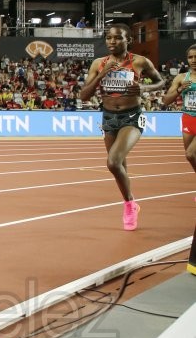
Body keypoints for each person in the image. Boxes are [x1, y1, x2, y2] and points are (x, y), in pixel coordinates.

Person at [79, 24, 165, 230]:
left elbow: (160, 82)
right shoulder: (98, 63)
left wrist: (144, 87)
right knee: (120, 168)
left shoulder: (140, 61)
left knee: (113, 162)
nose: (111, 42)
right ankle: (130, 203)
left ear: (128, 40)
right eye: (108, 38)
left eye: (117, 38)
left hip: (132, 117)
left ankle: (129, 205)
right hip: (109, 117)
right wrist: (101, 75)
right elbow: (84, 96)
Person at [161, 44, 196, 172]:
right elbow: (166, 101)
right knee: (191, 157)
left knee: (190, 154)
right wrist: (180, 89)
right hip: (188, 119)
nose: (193, 60)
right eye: (190, 57)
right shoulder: (181, 78)